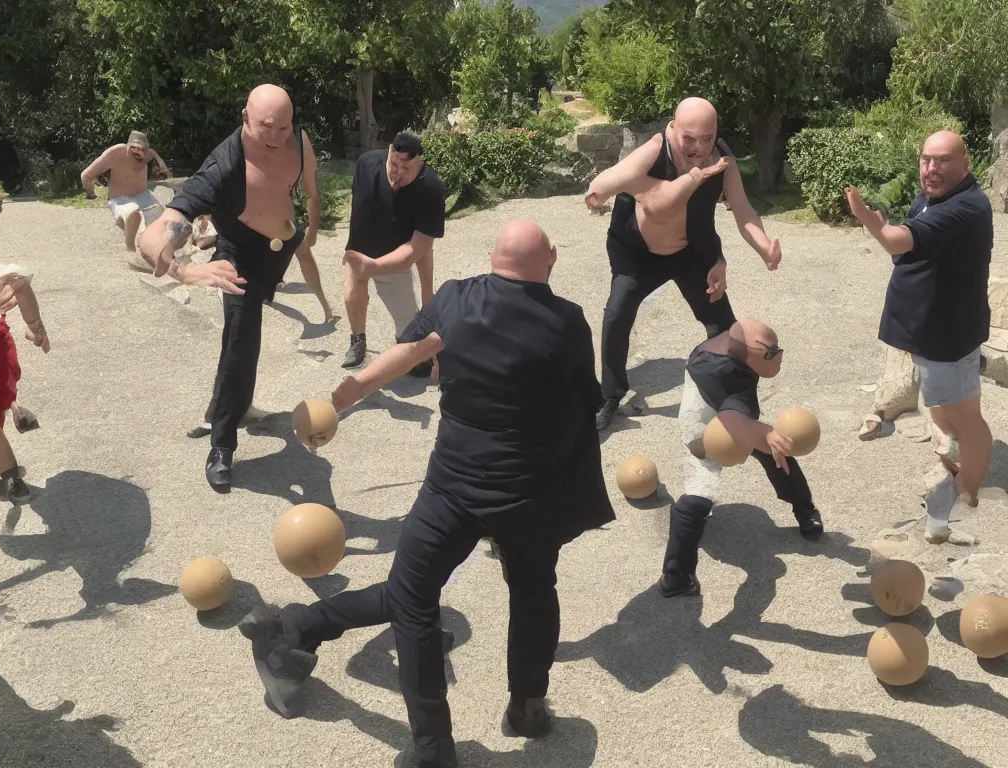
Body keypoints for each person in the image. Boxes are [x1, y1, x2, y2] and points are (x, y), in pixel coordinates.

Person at [239, 219, 615, 768]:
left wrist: (353, 390)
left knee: (413, 597)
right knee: (533, 590)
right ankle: (528, 710)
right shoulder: (568, 321)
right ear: (551, 260)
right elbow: (588, 400)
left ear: (492, 259)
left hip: (456, 491)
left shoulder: (458, 297)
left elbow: (418, 349)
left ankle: (432, 748)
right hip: (531, 496)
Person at [138, 84, 319, 492]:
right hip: (238, 257)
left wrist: (312, 226)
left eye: (284, 126)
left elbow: (309, 185)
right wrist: (184, 271)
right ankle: (222, 446)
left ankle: (226, 405)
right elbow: (151, 239)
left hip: (278, 251)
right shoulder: (223, 166)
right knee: (242, 342)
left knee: (239, 340)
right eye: (265, 127)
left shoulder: (300, 142)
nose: (276, 137)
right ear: (245, 118)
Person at [584, 97, 784, 430]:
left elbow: (743, 209)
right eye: (689, 138)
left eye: (707, 138)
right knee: (617, 313)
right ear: (673, 128)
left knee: (723, 326)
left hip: (691, 254)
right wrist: (596, 195)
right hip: (637, 256)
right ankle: (610, 395)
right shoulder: (654, 150)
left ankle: (732, 395)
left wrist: (764, 246)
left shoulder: (723, 161)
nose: (698, 147)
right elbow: (610, 180)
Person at [846, 130, 993, 544]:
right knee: (951, 416)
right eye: (927, 159)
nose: (932, 168)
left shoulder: (965, 207)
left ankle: (967, 496)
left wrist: (869, 222)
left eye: (944, 160)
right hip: (933, 336)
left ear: (966, 164)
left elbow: (897, 240)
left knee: (958, 421)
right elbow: (909, 251)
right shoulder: (933, 199)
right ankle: (962, 485)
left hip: (948, 340)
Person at [659, 318, 823, 599]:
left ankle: (804, 509)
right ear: (749, 356)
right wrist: (766, 434)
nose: (779, 356)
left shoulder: (724, 343)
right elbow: (734, 421)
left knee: (774, 455)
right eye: (772, 353)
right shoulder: (733, 382)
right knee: (701, 491)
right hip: (704, 430)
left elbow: (731, 322)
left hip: (713, 410)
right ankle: (676, 576)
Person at [340, 130, 446, 376]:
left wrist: (427, 295)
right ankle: (358, 340)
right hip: (362, 247)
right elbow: (360, 212)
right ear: (389, 152)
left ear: (420, 163)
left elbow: (420, 248)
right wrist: (356, 257)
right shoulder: (366, 164)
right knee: (353, 294)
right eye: (393, 163)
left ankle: (410, 345)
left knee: (417, 362)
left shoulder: (431, 188)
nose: (396, 172)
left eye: (405, 168)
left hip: (396, 259)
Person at [0, 251, 50, 504]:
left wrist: (36, 330)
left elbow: (18, 282)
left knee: (0, 394)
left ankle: (8, 412)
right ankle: (5, 471)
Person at [81, 131, 171, 258]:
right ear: (129, 147)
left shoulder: (147, 154)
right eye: (135, 149)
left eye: (142, 151)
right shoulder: (116, 153)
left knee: (164, 221)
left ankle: (157, 247)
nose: (139, 154)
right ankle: (134, 251)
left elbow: (152, 152)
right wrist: (91, 192)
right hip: (120, 200)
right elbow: (86, 175)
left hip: (144, 196)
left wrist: (162, 163)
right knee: (134, 216)